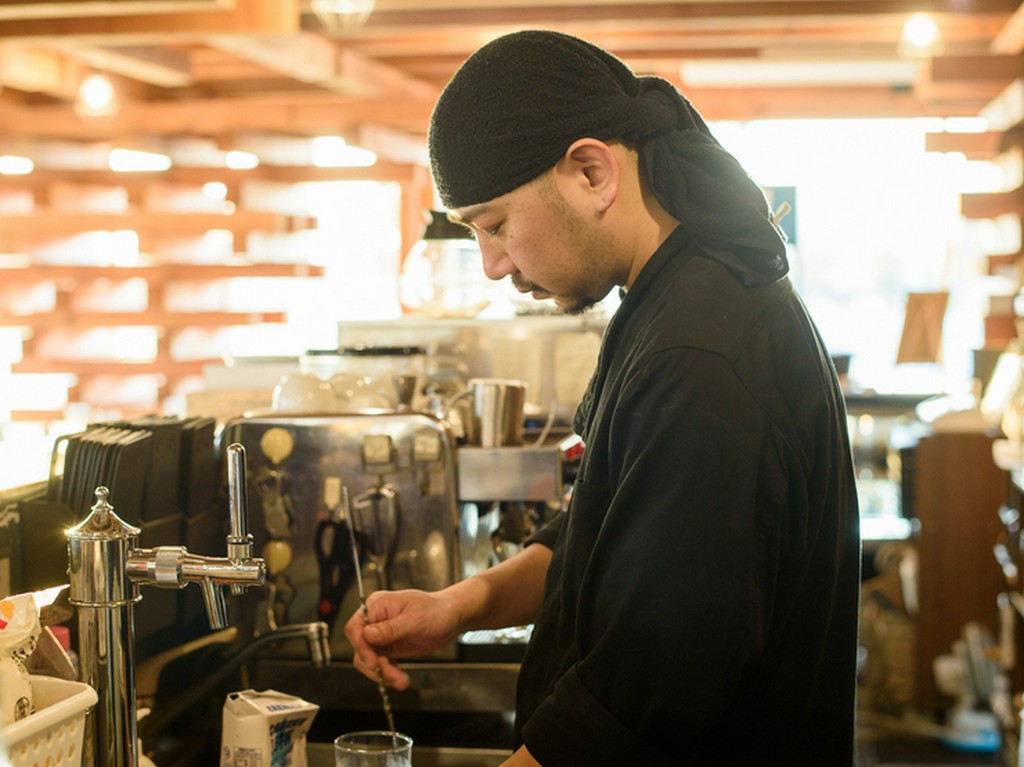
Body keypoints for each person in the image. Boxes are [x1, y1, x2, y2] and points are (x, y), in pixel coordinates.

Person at [345, 29, 861, 766]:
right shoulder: (669, 298)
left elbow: (638, 701)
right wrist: (461, 605)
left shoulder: (700, 354)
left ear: (591, 172)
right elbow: (606, 527)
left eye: (495, 225)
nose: (492, 265)